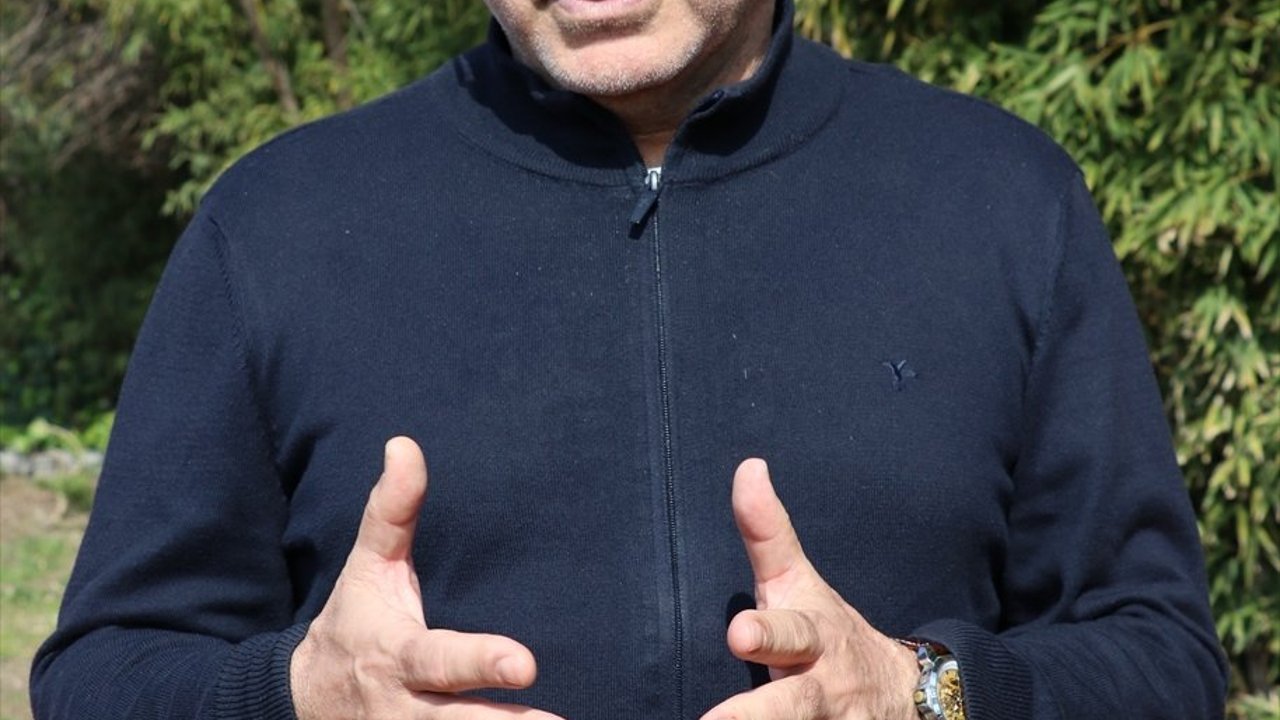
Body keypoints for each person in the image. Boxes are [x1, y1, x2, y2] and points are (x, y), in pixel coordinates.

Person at [32, 0, 1228, 717]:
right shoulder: (275, 227)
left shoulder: (1001, 203)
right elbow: (101, 673)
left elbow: (1160, 658)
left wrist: (927, 692)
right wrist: (291, 695)